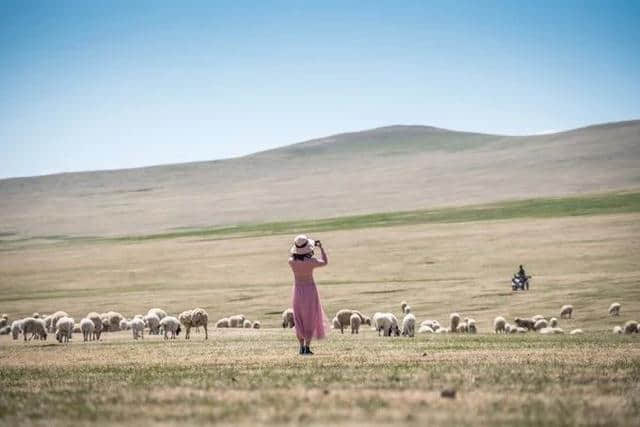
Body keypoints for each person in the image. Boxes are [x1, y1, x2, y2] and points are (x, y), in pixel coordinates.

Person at [288, 234, 329, 355]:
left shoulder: (291, 262)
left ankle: (301, 347)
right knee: (310, 317)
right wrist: (320, 248)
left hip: (298, 291)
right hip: (310, 291)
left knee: (299, 318)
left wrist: (299, 249)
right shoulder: (311, 262)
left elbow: (294, 256)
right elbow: (325, 262)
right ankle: (307, 347)